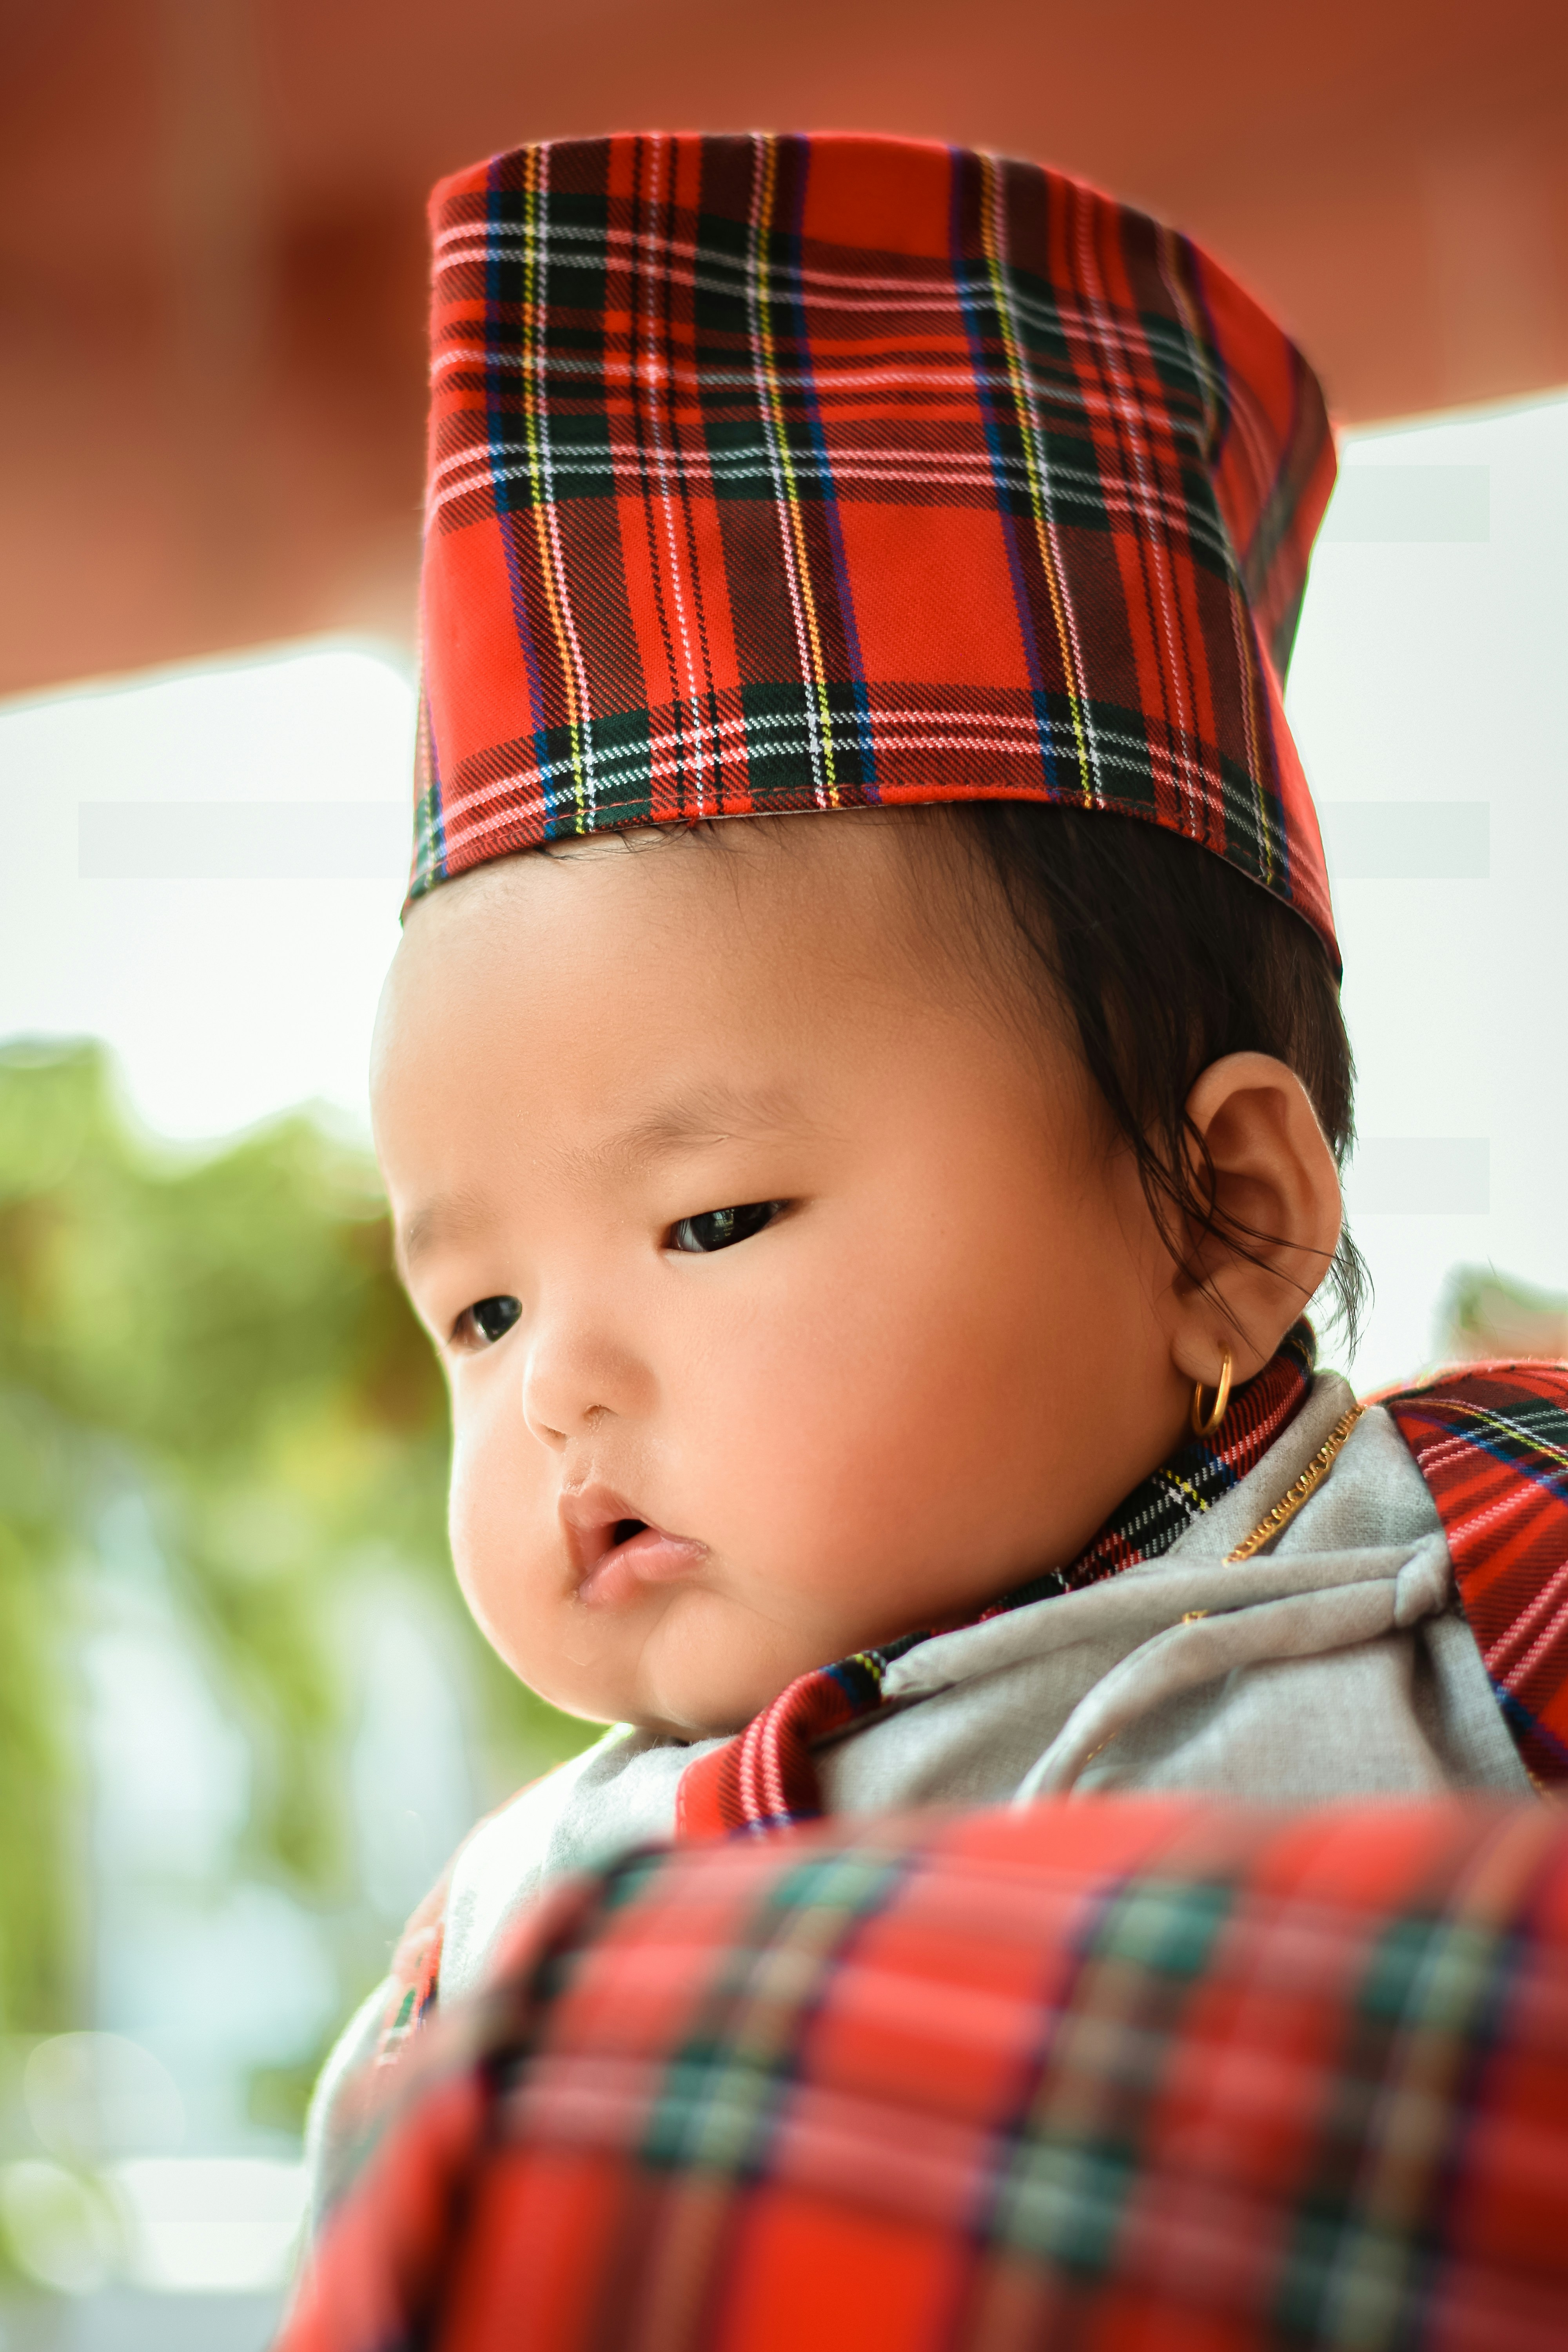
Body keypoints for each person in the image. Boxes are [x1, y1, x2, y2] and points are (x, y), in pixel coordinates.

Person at [305, 129, 1568, 2227]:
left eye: (711, 1221)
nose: (550, 1390)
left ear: (1229, 1217)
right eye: (481, 1309)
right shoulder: (503, 1951)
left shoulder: (1476, 1576)